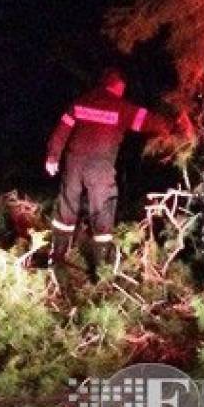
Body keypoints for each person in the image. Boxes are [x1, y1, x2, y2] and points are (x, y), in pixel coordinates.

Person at [45, 68, 170, 270]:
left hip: (74, 162)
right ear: (118, 86)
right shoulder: (121, 107)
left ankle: (56, 258)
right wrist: (173, 123)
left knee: (67, 206)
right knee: (102, 209)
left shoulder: (81, 102)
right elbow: (148, 121)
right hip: (100, 166)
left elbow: (62, 129)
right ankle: (100, 268)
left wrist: (52, 157)